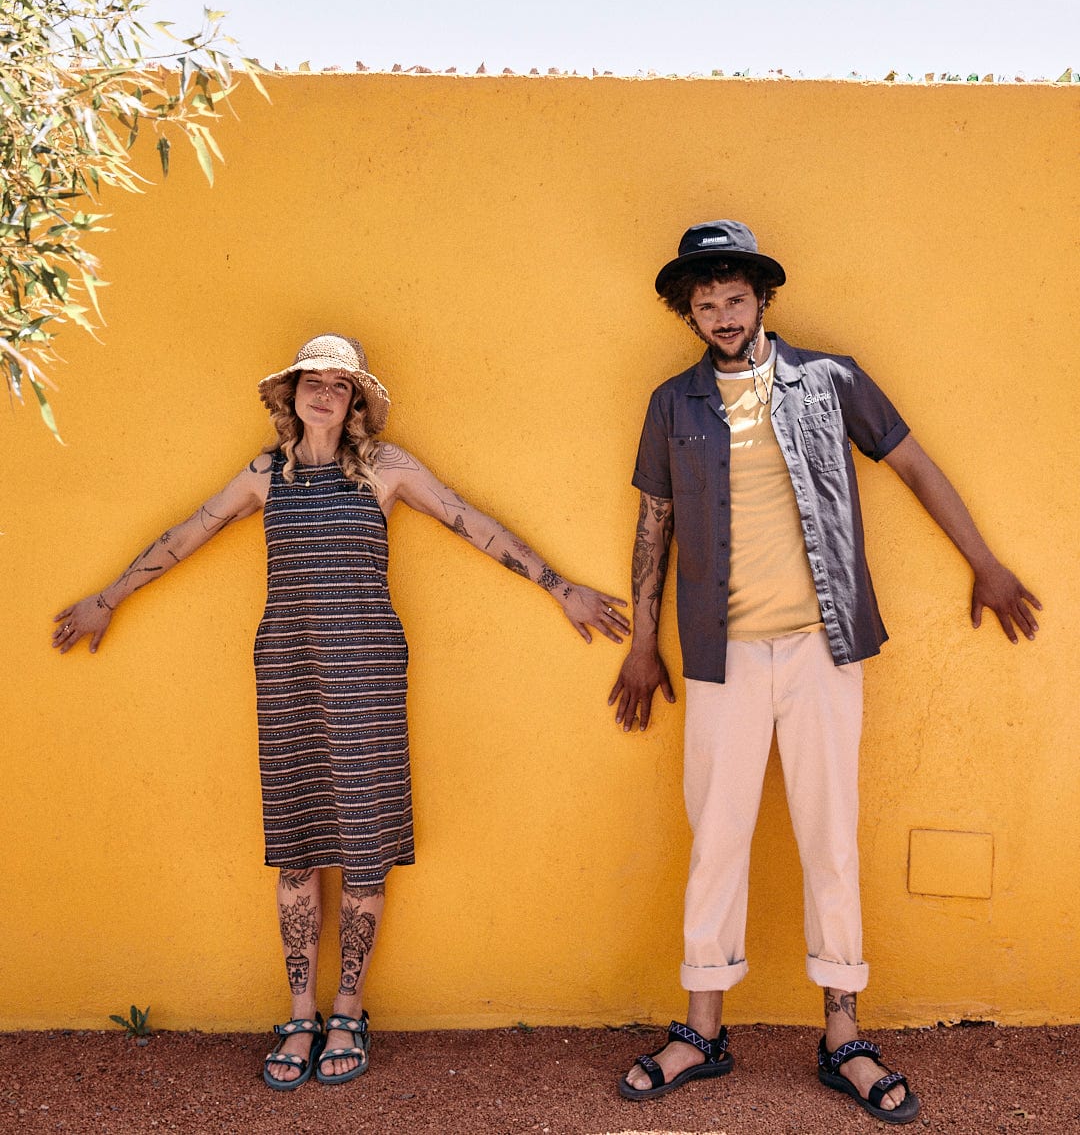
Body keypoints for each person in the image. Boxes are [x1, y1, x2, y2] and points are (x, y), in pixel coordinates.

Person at [54, 332, 629, 1091]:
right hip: (287, 673)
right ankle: (300, 1012)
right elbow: (188, 533)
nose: (324, 392)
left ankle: (348, 1008)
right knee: (296, 846)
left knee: (363, 844)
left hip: (367, 676)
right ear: (290, 394)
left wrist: (559, 586)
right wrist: (106, 598)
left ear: (357, 400)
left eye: (339, 382)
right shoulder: (267, 474)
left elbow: (469, 520)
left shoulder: (387, 470)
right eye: (312, 380)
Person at [609, 222, 1040, 1124]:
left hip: (821, 645)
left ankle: (842, 1032)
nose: (722, 316)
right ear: (688, 313)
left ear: (763, 299)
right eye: (705, 303)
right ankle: (701, 1031)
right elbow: (655, 523)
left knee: (830, 833)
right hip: (720, 654)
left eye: (734, 298)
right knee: (716, 836)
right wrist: (643, 641)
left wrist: (984, 562)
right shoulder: (672, 404)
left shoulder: (830, 380)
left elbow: (914, 464)